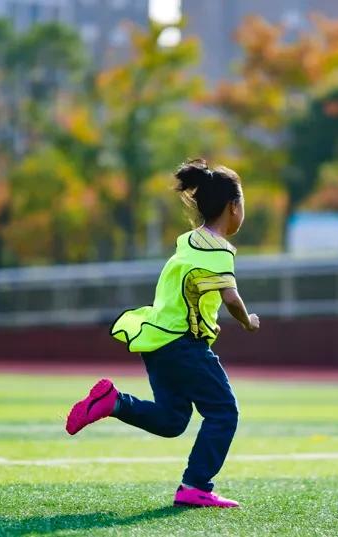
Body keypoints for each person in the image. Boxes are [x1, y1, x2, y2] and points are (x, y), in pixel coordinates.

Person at [65, 158, 260, 508]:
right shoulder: (219, 250)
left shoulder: (189, 243)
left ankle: (114, 402)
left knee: (172, 420)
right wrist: (247, 321)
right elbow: (230, 297)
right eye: (242, 203)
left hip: (157, 343)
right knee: (224, 412)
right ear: (233, 207)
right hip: (184, 344)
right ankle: (195, 486)